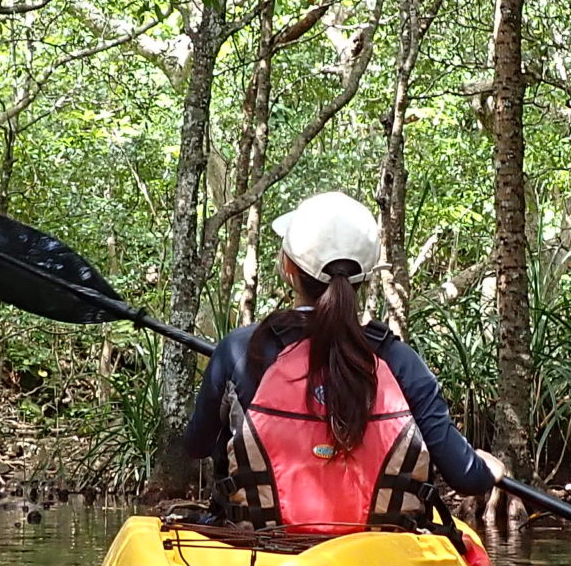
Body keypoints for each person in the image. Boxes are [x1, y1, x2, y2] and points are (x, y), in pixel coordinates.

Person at [182, 191, 507, 534]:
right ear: (365, 280)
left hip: (266, 558)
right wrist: (488, 467)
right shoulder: (399, 361)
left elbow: (197, 445)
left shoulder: (241, 351)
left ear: (288, 268)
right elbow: (466, 476)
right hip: (380, 561)